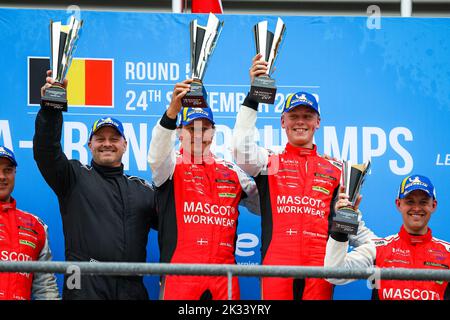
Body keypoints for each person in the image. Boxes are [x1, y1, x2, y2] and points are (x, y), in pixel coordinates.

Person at [231, 54, 375, 300]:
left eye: (307, 116)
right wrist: (254, 95)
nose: (301, 122)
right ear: (282, 122)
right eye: (294, 116)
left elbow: (356, 228)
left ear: (318, 122)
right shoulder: (269, 161)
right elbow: (240, 150)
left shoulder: (339, 169)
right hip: (276, 270)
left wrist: (361, 256)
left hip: (319, 273)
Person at [33, 71, 158, 300]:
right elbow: (46, 152)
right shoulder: (73, 176)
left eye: (114, 139)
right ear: (90, 144)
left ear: (125, 145)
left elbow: (176, 225)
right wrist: (51, 109)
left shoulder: (143, 190)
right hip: (82, 283)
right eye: (100, 139)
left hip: (131, 288)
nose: (107, 144)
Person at [147, 79, 259, 300]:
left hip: (223, 278)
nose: (198, 134)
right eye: (191, 128)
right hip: (179, 277)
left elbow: (264, 205)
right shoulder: (169, 167)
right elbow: (156, 156)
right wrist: (172, 112)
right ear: (180, 132)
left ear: (213, 132)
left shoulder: (232, 172)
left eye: (205, 129)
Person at [325, 174, 450, 300]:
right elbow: (334, 274)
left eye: (423, 202)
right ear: (398, 204)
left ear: (433, 205)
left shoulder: (448, 252)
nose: (417, 208)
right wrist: (343, 220)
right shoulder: (378, 248)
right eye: (410, 201)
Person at [0, 146, 59, 300]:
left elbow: (45, 288)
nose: (2, 176)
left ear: (14, 174)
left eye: (7, 170)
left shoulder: (35, 225)